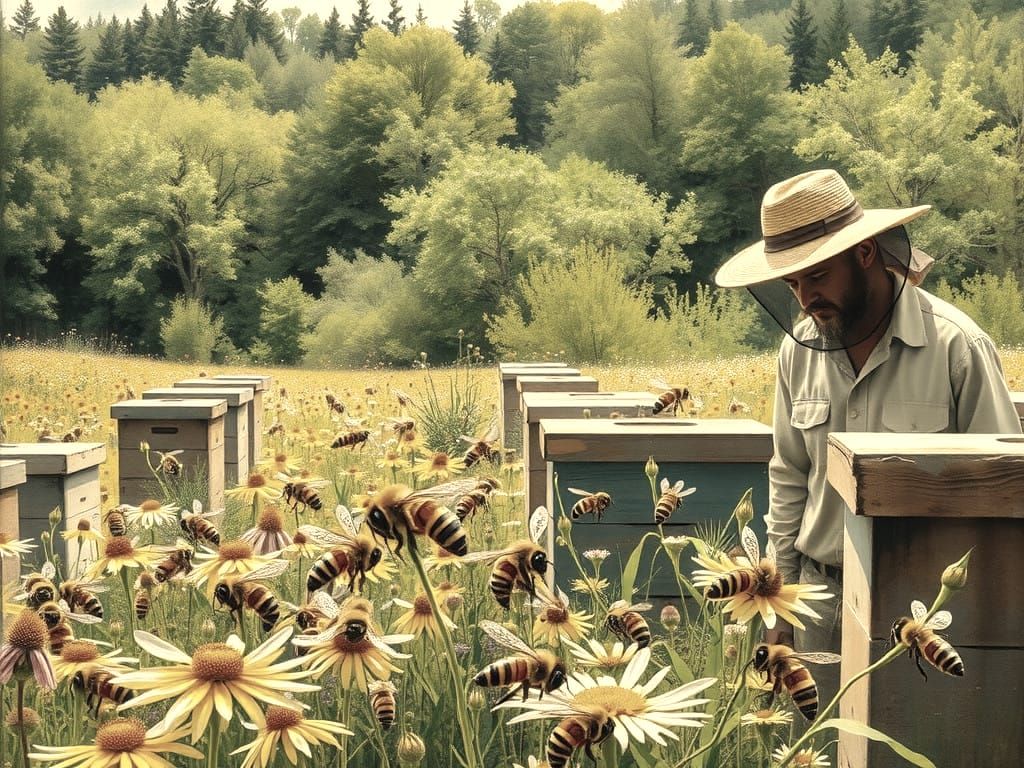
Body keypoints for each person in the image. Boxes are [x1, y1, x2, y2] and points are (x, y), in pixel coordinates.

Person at [714, 168, 1022, 662]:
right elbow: (790, 475)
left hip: (925, 605)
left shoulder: (956, 346)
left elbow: (1005, 491)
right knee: (812, 739)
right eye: (792, 283)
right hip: (817, 597)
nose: (805, 297)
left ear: (865, 253)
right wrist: (780, 604)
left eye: (817, 276)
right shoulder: (798, 352)